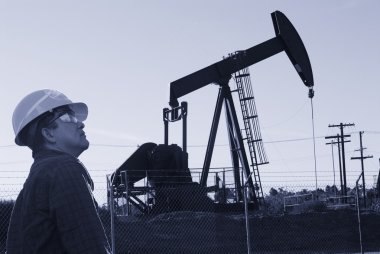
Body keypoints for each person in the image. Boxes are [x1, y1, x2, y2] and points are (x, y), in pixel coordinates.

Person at [7, 89, 111, 254]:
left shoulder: (37, 178)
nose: (80, 123)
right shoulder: (63, 169)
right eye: (68, 117)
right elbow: (90, 248)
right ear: (48, 134)